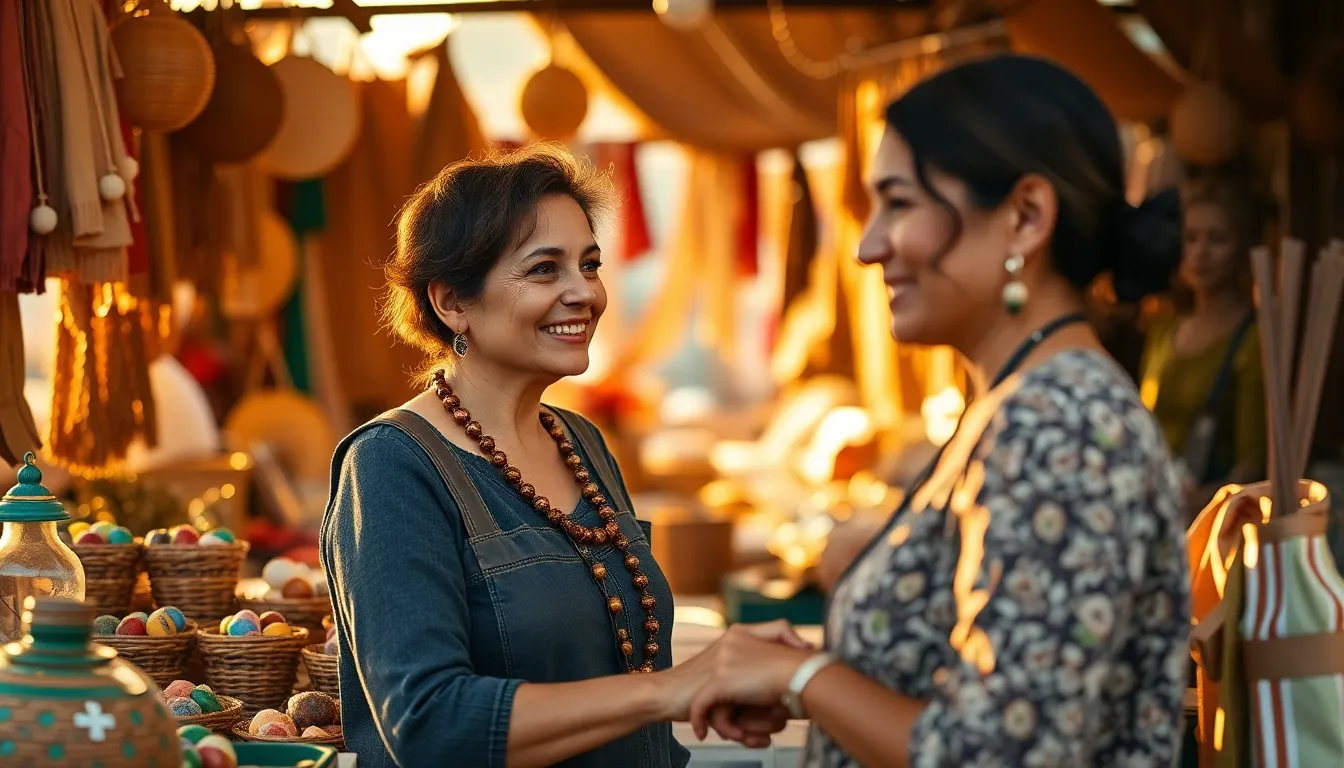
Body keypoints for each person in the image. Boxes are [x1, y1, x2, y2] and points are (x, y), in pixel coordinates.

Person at [670, 54, 1193, 767]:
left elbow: (999, 754)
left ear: (1025, 217)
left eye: (900, 202)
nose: (868, 245)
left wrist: (804, 677)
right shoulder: (1015, 404)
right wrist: (819, 676)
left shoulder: (1058, 422)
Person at [320, 146, 792, 768]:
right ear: (451, 303)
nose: (585, 293)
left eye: (589, 265)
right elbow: (427, 722)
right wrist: (673, 688)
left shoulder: (582, 443)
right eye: (544, 270)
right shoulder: (391, 465)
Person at [1140, 175, 1267, 514]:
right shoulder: (1163, 329)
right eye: (1190, 238)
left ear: (1241, 247)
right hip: (1151, 503)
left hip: (1208, 523)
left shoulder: (1252, 339)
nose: (1201, 253)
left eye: (1217, 239)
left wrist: (1195, 502)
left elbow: (1251, 466)